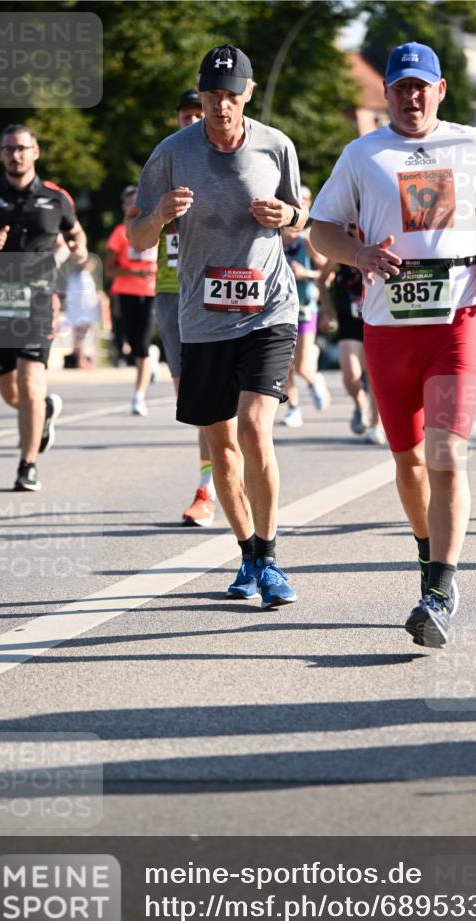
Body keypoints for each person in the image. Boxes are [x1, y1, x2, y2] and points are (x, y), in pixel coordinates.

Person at [310, 41, 476, 647]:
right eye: (400, 87)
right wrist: (359, 252)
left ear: (441, 89)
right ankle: (430, 558)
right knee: (409, 462)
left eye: (421, 86)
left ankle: (441, 589)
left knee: (448, 454)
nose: (411, 96)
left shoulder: (472, 144)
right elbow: (321, 229)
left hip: (457, 323)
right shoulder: (361, 152)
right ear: (387, 92)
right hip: (388, 330)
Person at [130, 44, 307, 608]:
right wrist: (158, 216)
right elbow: (136, 238)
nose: (222, 107)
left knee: (256, 428)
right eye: (212, 96)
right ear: (201, 96)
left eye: (232, 96)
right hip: (203, 318)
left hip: (269, 307)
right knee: (222, 445)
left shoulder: (276, 146)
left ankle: (272, 556)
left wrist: (289, 218)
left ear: (248, 95)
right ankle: (248, 554)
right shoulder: (172, 153)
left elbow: (301, 218)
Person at [0, 124, 87, 491]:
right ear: (0, 154)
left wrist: (71, 250)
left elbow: (76, 234)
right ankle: (43, 412)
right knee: (11, 392)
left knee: (30, 380)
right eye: (8, 149)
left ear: (35, 152)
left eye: (22, 148)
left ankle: (27, 464)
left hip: (39, 300)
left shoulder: (56, 197)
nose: (15, 155)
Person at [152, 88, 216, 528]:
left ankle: (207, 489)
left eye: (199, 114)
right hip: (170, 292)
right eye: (185, 116)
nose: (192, 122)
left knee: (214, 402)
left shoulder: (226, 157)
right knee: (192, 401)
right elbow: (136, 229)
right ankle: (220, 472)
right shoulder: (164, 163)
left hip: (215, 291)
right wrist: (157, 214)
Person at [318, 224, 385, 443]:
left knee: (375, 376)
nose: (356, 227)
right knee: (350, 374)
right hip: (349, 322)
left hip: (376, 319)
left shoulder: (381, 242)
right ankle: (360, 405)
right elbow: (322, 279)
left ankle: (376, 425)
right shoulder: (343, 249)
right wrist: (327, 310)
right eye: (352, 224)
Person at [279, 186, 330, 428]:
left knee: (300, 365)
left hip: (305, 307)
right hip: (280, 308)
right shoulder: (273, 237)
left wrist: (304, 273)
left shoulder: (308, 240)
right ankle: (294, 408)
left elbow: (326, 273)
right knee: (284, 366)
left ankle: (313, 379)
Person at [105, 185, 157, 415]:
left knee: (142, 346)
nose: (133, 206)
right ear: (123, 206)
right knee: (134, 344)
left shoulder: (158, 227)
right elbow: (109, 269)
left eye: (138, 201)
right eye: (129, 203)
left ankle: (139, 396)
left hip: (152, 293)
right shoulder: (119, 233)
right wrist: (134, 273)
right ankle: (149, 358)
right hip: (126, 292)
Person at [64, 256, 100, 368]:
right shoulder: (84, 277)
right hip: (84, 313)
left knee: (77, 338)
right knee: (81, 338)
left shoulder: (73, 277)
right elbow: (87, 298)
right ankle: (81, 361)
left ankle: (78, 360)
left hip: (75, 313)